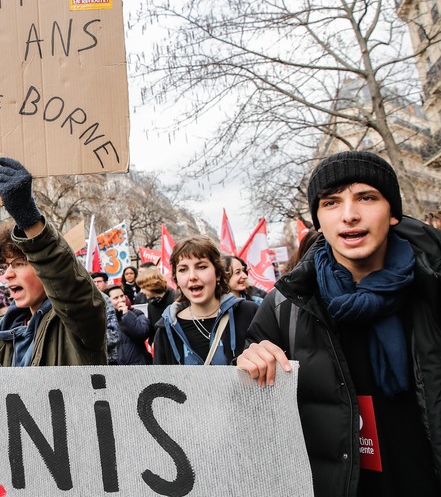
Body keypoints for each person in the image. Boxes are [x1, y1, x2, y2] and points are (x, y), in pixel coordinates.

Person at [237, 151, 441, 497]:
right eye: (331, 203)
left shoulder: (432, 288)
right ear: (318, 219)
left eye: (367, 197)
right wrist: (248, 361)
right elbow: (248, 403)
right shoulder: (286, 304)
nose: (349, 215)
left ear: (392, 213)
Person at [0, 158, 106, 375]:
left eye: (18, 264)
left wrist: (29, 219)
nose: (7, 275)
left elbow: (72, 290)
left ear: (41, 265)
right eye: (3, 267)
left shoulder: (79, 325)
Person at [153, 237, 258, 365]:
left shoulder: (248, 313)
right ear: (176, 279)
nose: (192, 276)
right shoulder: (166, 330)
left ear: (217, 273)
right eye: (183, 269)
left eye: (201, 267)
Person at [107, 285, 151, 365]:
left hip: (138, 366)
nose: (121, 300)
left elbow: (142, 333)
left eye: (122, 296)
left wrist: (126, 314)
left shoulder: (136, 313)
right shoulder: (106, 320)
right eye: (116, 298)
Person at [132, 269, 176, 338]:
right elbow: (152, 331)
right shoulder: (151, 305)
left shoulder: (176, 299)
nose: (141, 291)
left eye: (143, 287)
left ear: (152, 285)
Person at [91, 271, 121, 365]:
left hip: (106, 360)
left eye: (99, 281)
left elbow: (113, 335)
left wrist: (89, 343)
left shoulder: (103, 299)